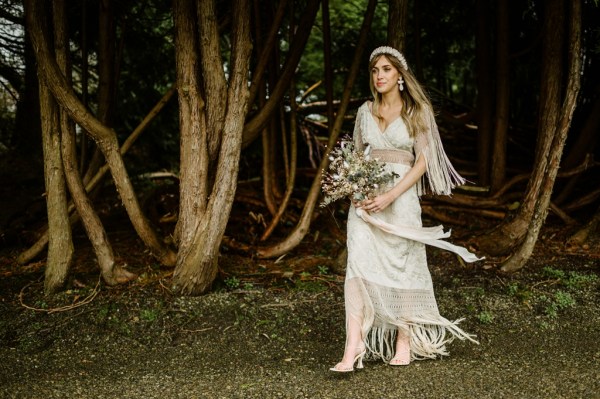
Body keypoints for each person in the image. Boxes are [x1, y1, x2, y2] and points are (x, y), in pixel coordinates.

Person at [330, 46, 480, 373]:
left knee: (404, 264)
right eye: (374, 70)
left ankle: (404, 337)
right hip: (366, 202)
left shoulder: (418, 111)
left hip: (401, 199)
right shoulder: (364, 112)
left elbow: (423, 162)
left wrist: (391, 196)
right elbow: (355, 157)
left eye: (386, 69)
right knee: (357, 264)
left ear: (399, 75)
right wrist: (356, 191)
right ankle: (352, 344)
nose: (379, 75)